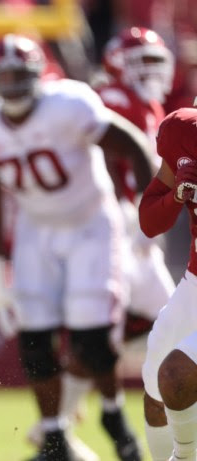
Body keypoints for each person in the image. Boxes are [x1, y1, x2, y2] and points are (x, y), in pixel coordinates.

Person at [0, 34, 154, 461]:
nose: (11, 85)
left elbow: (136, 147)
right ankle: (53, 436)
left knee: (91, 335)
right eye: (2, 76)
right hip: (36, 229)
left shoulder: (69, 104)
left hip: (91, 222)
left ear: (37, 77)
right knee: (34, 337)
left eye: (19, 75)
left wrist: (144, 216)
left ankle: (112, 415)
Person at [28, 26, 177, 461]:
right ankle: (62, 429)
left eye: (155, 62)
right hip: (114, 229)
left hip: (134, 231)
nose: (150, 71)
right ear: (116, 64)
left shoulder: (145, 103)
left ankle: (52, 429)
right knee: (150, 329)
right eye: (141, 62)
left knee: (143, 331)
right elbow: (100, 158)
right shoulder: (111, 100)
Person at [139, 107, 197, 461]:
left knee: (176, 374)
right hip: (195, 283)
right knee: (155, 390)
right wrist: (176, 195)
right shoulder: (184, 131)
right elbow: (148, 220)